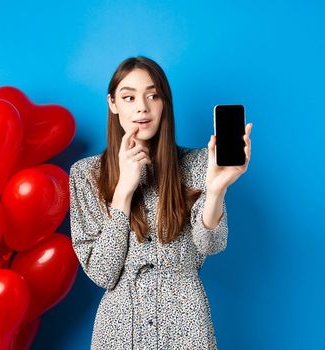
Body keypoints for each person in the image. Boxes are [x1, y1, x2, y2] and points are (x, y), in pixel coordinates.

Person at [69, 56, 252, 349]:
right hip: (120, 328)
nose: (142, 107)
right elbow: (102, 272)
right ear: (113, 104)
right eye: (129, 97)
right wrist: (124, 192)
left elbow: (212, 244)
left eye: (152, 95)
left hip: (186, 322)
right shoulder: (85, 174)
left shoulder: (198, 164)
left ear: (164, 103)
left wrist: (216, 190)